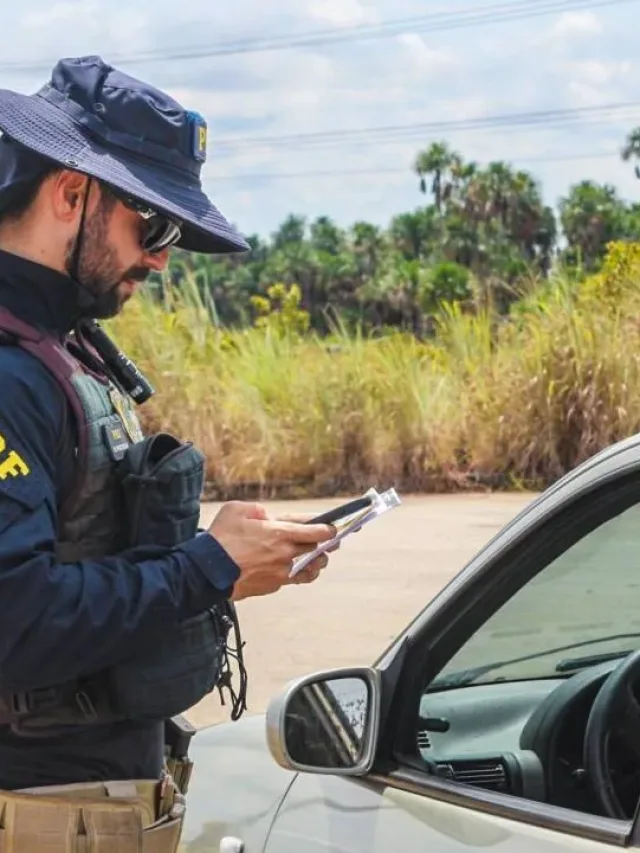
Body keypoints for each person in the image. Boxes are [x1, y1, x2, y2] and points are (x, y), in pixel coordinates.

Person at [0, 55, 336, 851]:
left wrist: (231, 565)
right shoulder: (12, 374)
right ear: (71, 192)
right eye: (151, 226)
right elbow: (14, 619)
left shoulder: (62, 348)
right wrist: (205, 568)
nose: (160, 257)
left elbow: (84, 558)